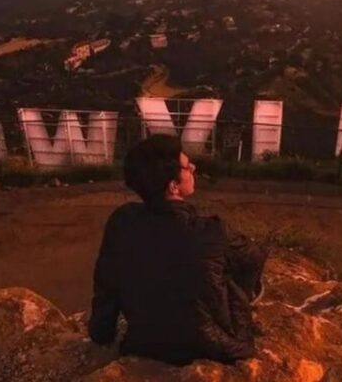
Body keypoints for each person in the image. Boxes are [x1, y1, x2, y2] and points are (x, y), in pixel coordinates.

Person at [88, 134, 268, 365]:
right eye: (186, 166)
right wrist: (237, 294)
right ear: (173, 186)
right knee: (227, 269)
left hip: (144, 343)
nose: (193, 167)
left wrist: (101, 332)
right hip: (214, 348)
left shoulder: (121, 222)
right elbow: (254, 260)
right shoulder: (212, 231)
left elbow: (106, 283)